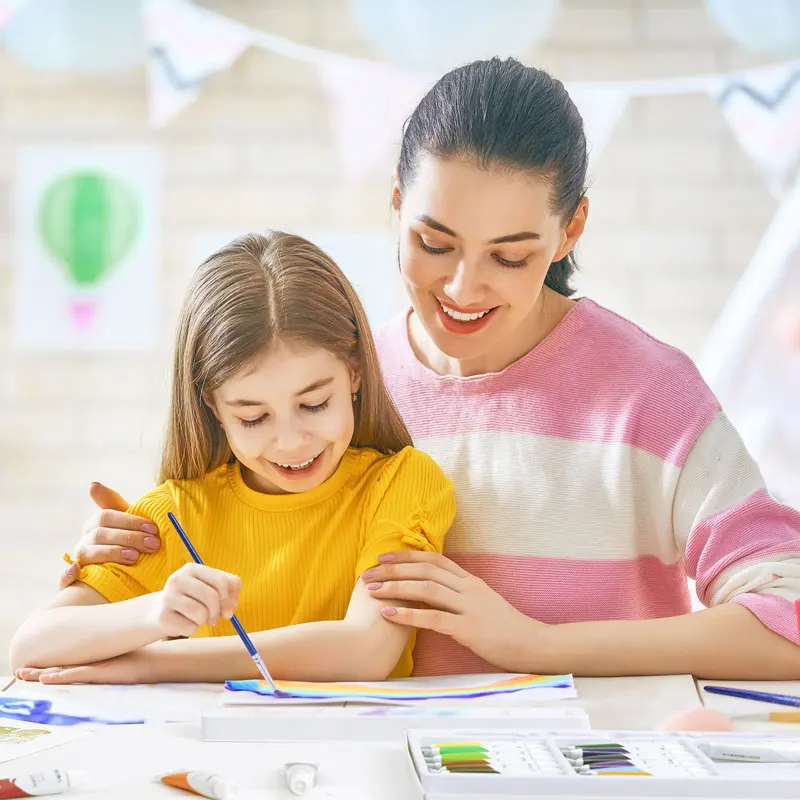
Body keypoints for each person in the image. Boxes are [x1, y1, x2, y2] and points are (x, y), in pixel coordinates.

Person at [58, 58, 800, 680]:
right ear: (395, 205)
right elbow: (233, 528)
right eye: (434, 242)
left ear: (571, 227)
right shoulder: (332, 389)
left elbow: (787, 614)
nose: (462, 287)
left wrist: (537, 647)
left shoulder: (647, 393)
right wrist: (125, 567)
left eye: (510, 256)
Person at [10, 232, 455, 684]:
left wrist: (147, 663)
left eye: (315, 404)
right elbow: (32, 646)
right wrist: (153, 614)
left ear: (355, 373)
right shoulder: (179, 512)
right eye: (253, 417)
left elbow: (366, 651)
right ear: (214, 407)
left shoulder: (402, 482)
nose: (291, 442)